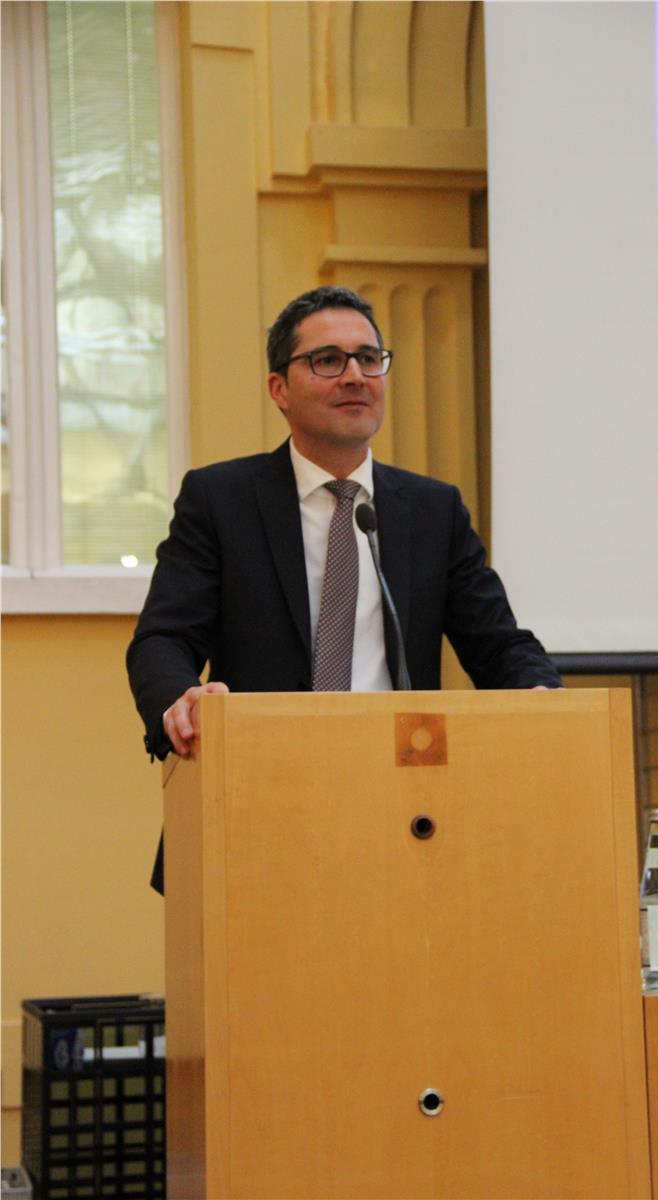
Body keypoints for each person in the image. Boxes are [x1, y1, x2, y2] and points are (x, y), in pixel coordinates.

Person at [127, 287, 561, 887]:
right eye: (328, 360)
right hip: (258, 803)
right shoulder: (221, 500)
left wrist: (543, 697)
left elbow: (498, 644)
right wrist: (181, 700)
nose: (355, 375)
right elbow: (163, 639)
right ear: (279, 388)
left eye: (369, 358)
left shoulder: (432, 510)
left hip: (408, 808)